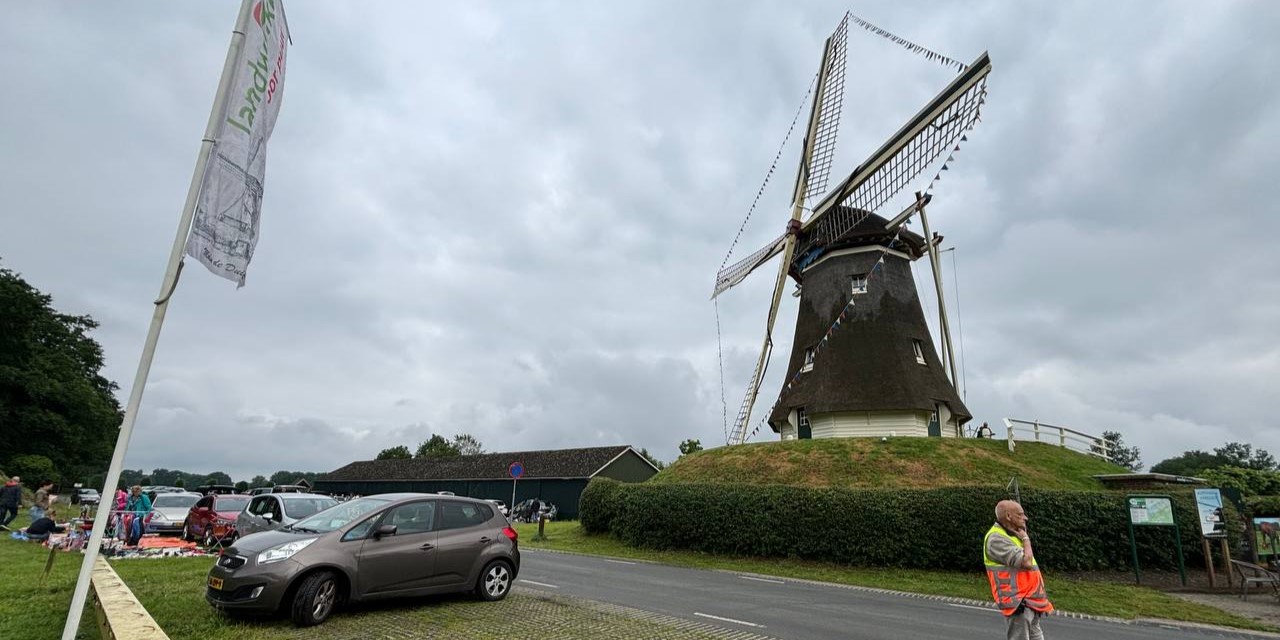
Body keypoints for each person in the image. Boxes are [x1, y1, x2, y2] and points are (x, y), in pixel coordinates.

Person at [984, 500, 1054, 639]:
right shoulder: (996, 538)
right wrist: (1026, 539)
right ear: (1008, 516)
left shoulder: (1012, 535)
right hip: (1018, 603)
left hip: (1031, 601)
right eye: (1020, 515)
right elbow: (1026, 562)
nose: (1025, 518)